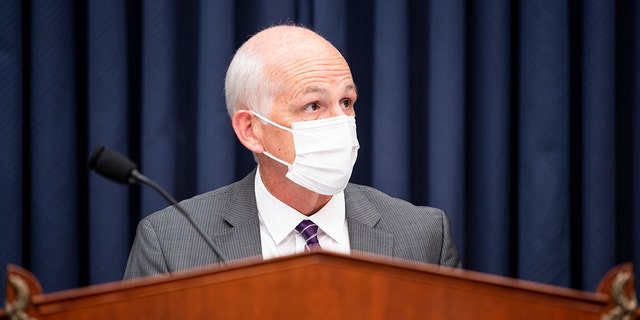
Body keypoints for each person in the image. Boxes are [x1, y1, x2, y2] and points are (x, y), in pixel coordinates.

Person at [123, 25, 460, 279]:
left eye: (346, 102)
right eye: (313, 105)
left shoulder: (424, 235)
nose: (340, 121)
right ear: (250, 130)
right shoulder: (171, 243)